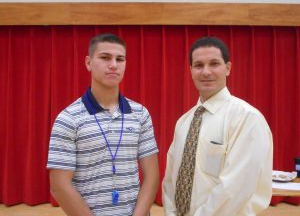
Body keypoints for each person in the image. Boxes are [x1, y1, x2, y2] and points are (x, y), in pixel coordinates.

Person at [47, 33, 160, 216]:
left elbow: (152, 176)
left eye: (120, 59)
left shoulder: (141, 114)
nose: (114, 65)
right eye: (105, 57)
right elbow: (59, 186)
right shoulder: (68, 119)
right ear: (88, 63)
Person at [162, 36, 273, 216]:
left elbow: (236, 187)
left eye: (214, 64)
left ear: (227, 68)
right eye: (198, 65)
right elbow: (170, 179)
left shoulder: (246, 118)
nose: (206, 72)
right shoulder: (184, 122)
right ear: (190, 70)